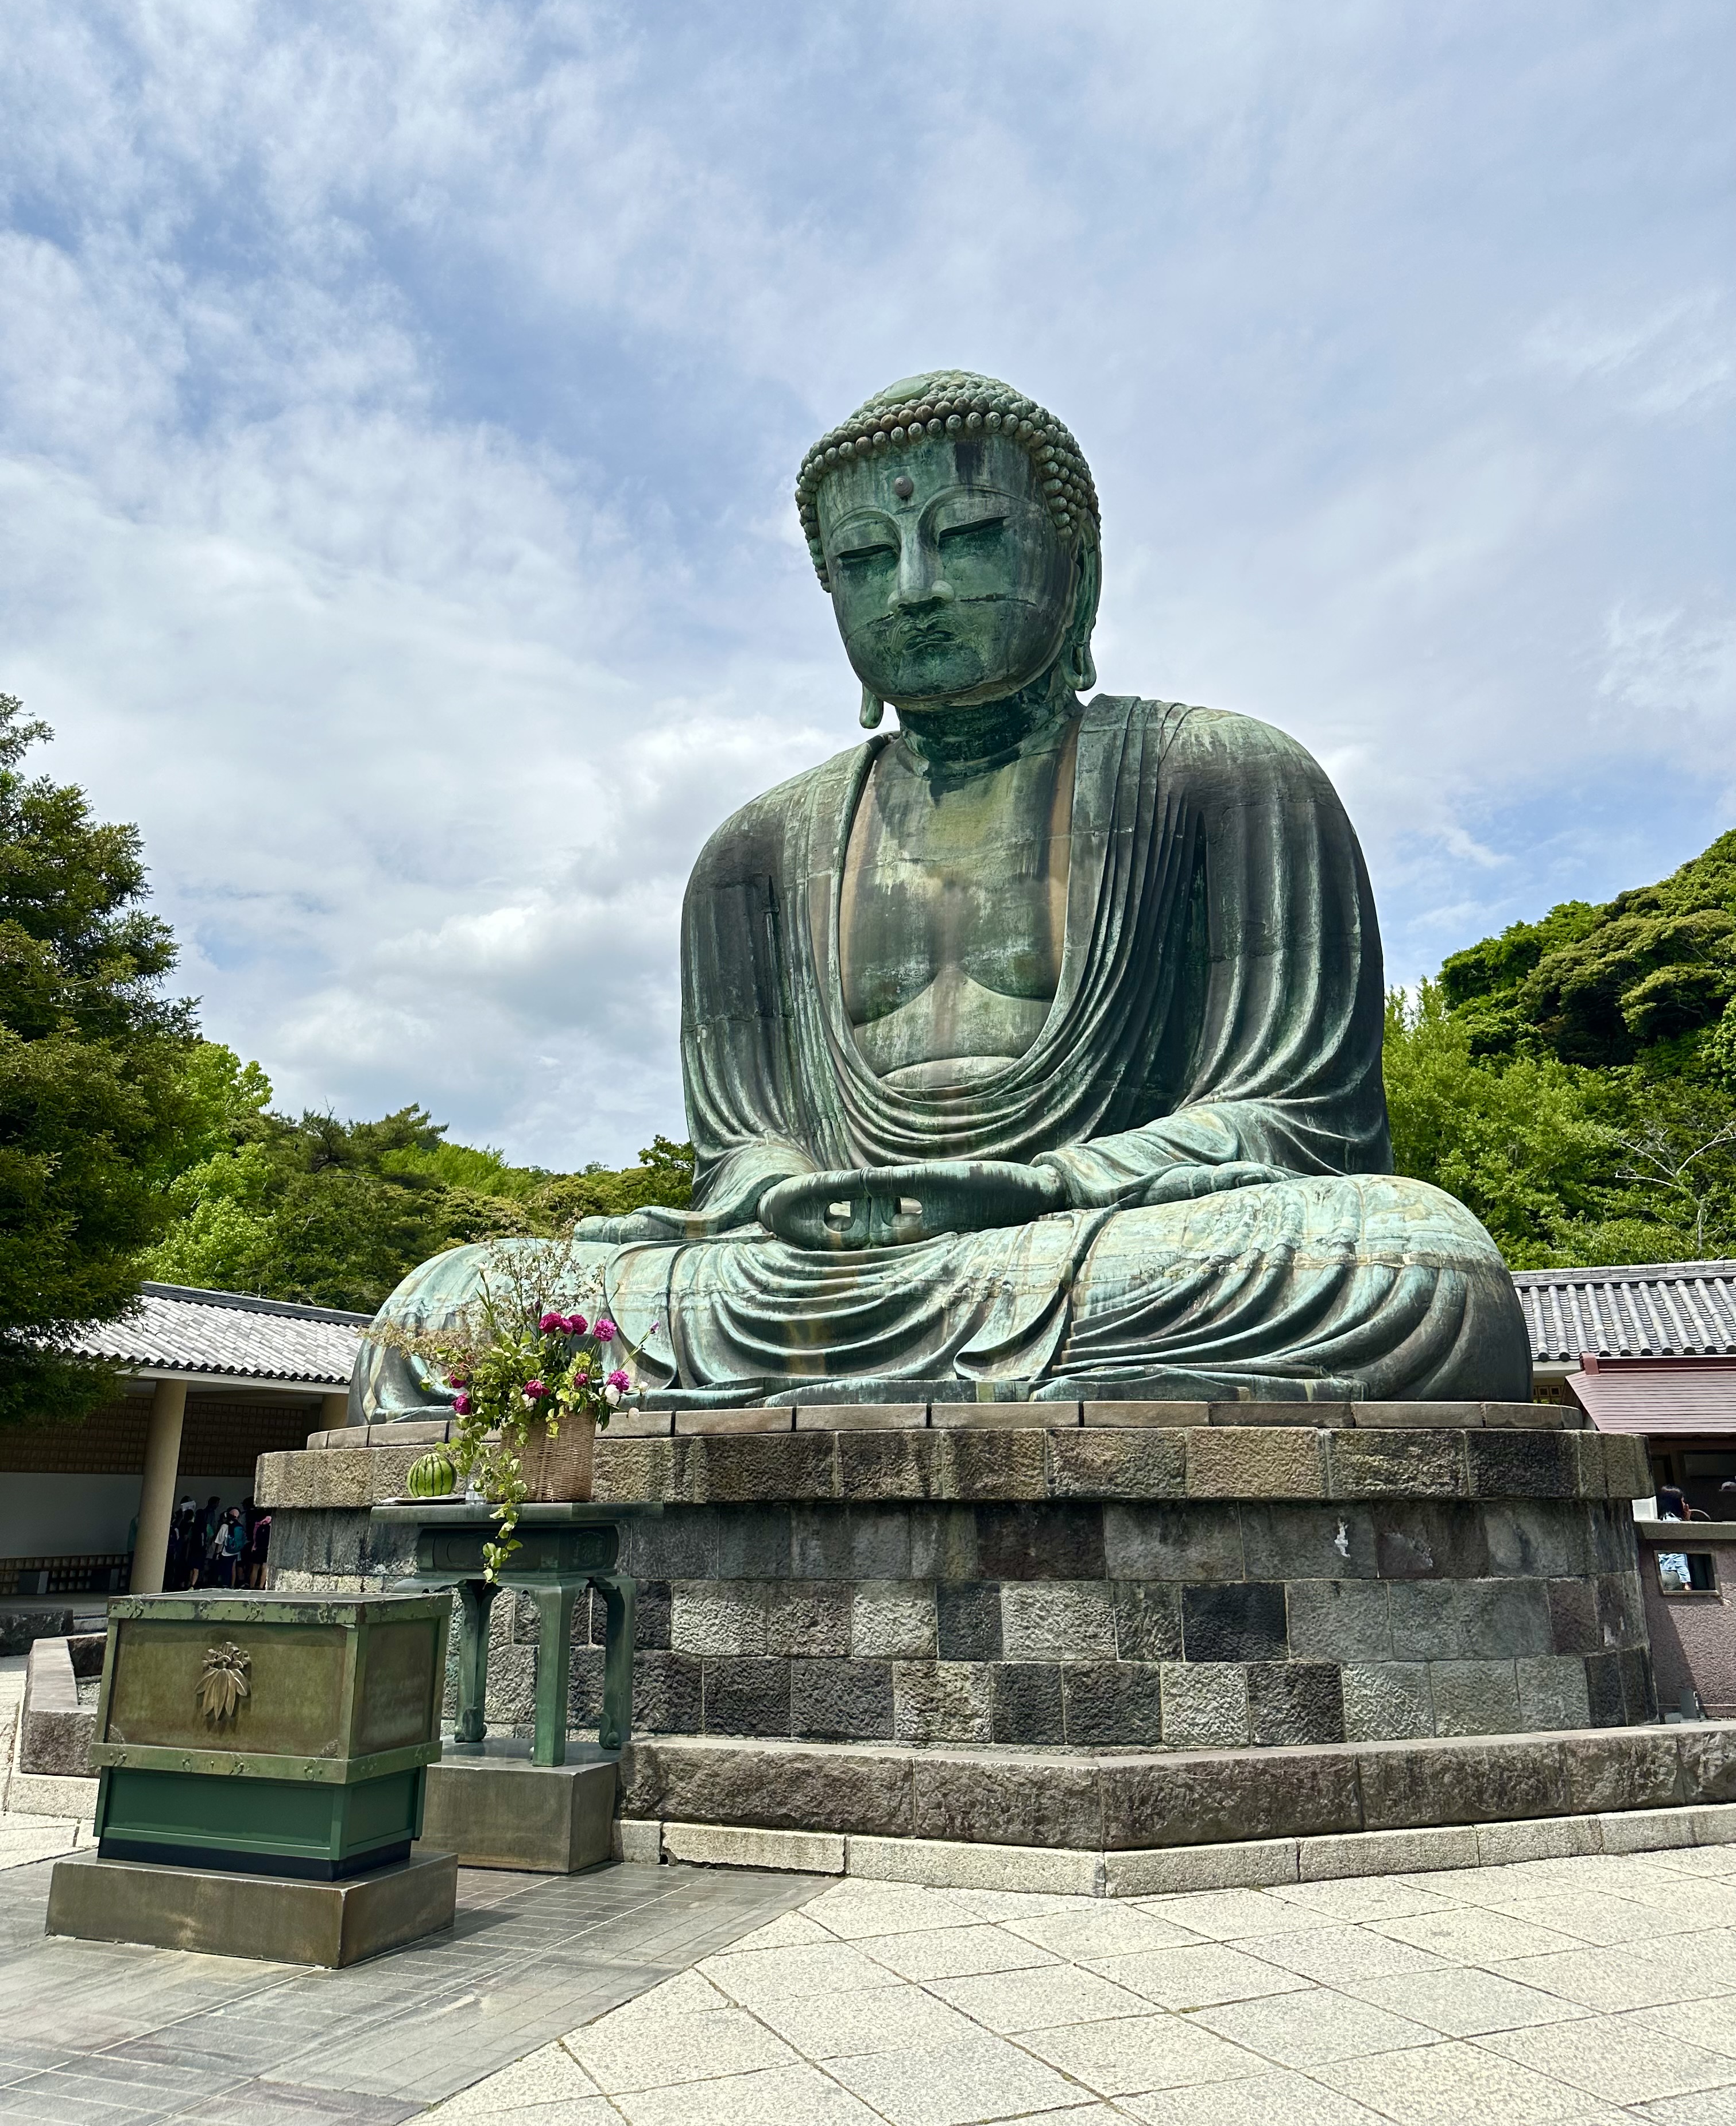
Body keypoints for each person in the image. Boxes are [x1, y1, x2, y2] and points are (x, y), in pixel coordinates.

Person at [354, 368, 1530, 1416]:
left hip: (1095, 1239)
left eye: (964, 536)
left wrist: (1045, 1183)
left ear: (1076, 568)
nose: (911, 589)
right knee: (445, 1312)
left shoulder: (1222, 775)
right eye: (865, 560)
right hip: (808, 1271)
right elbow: (743, 1150)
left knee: (1410, 1267)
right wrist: (788, 1198)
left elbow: (1296, 1122)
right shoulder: (752, 853)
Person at [247, 1506, 272, 1590]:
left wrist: (254, 1546)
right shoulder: (271, 1523)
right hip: (267, 1548)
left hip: (257, 1547)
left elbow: (254, 1536)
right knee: (265, 1567)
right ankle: (261, 1586)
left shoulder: (258, 1523)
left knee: (255, 1568)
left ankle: (252, 1586)